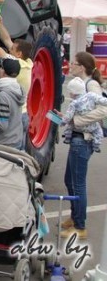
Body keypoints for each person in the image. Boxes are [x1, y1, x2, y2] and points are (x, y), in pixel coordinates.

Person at [59, 51, 107, 239]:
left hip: (83, 138)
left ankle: (80, 226)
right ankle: (75, 216)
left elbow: (102, 110)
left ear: (82, 67)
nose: (71, 65)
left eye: (74, 63)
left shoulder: (91, 85)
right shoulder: (84, 84)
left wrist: (77, 120)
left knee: (77, 184)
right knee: (69, 180)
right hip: (78, 137)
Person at [0, 20, 33, 150]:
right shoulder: (27, 63)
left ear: (18, 54)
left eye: (12, 49)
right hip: (23, 115)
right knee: (20, 153)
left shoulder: (14, 64)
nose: (9, 49)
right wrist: (0, 22)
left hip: (14, 118)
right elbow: (6, 39)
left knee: (13, 152)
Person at [56, 76, 106, 152]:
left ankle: (67, 138)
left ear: (73, 93)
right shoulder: (91, 95)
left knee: (69, 127)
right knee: (99, 131)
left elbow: (68, 118)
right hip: (92, 126)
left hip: (78, 128)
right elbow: (102, 100)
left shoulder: (74, 103)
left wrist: (62, 121)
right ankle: (96, 146)